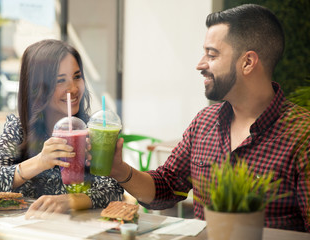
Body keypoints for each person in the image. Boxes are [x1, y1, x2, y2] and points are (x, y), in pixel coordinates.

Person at [110, 4, 310, 232]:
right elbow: (165, 187)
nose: (200, 64)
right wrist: (119, 170)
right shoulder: (204, 122)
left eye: (212, 54)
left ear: (247, 62)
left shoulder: (303, 135)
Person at [0, 39, 124, 218]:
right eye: (60, 81)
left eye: (77, 77)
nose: (73, 88)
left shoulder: (92, 132)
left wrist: (70, 201)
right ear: (37, 88)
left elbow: (114, 190)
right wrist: (40, 161)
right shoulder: (18, 129)